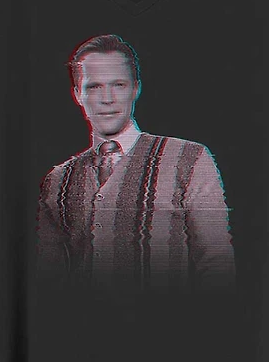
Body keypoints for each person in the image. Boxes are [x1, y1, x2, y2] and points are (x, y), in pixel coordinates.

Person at [36, 34, 236, 296]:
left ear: (135, 88)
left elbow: (218, 265)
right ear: (77, 94)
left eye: (118, 85)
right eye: (94, 87)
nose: (107, 98)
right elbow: (49, 279)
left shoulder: (189, 158)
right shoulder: (57, 180)